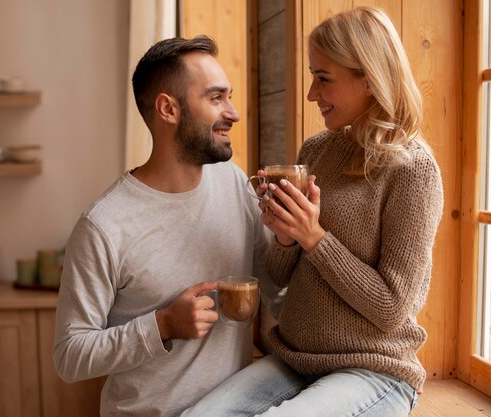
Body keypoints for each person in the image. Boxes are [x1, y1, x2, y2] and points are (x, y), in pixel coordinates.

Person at [181, 7, 444, 417]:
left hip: (373, 370)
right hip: (296, 360)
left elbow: (392, 308)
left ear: (370, 79)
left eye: (323, 79)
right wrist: (286, 236)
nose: (311, 94)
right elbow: (281, 275)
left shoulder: (413, 169)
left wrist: (314, 238)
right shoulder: (316, 150)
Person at [53, 35, 275, 417]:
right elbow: (70, 355)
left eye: (230, 96)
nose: (234, 113)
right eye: (216, 98)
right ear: (168, 109)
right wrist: (162, 325)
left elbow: (276, 283)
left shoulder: (235, 185)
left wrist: (295, 236)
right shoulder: (104, 225)